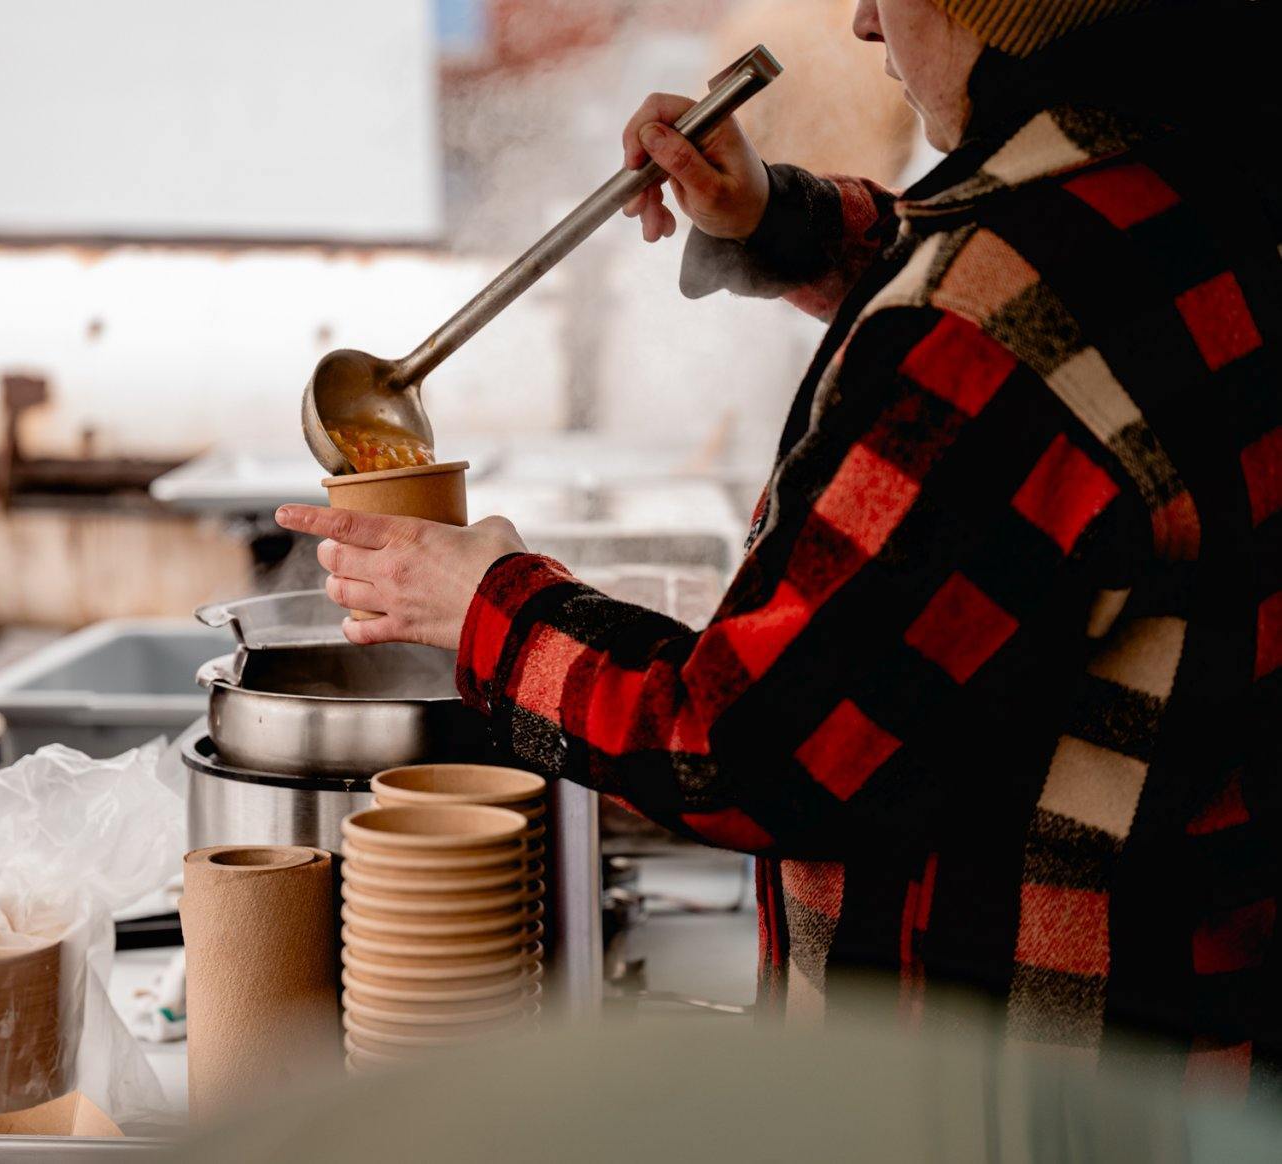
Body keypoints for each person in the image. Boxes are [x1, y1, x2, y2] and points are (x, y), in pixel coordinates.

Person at [280, 0, 1282, 1090]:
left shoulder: (984, 320)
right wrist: (773, 219)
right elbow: (1039, 323)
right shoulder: (1198, 185)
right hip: (1198, 1036)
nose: (860, 24)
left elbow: (739, 746)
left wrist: (487, 605)